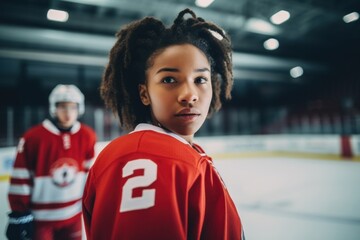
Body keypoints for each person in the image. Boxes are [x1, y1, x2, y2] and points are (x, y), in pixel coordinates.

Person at [82, 8, 245, 240]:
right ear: (144, 93)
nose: (189, 95)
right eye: (169, 80)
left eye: (200, 79)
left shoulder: (183, 154)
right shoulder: (150, 158)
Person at [6, 84, 97, 240]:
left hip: (74, 215)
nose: (68, 113)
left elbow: (91, 176)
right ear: (54, 108)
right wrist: (19, 211)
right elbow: (21, 176)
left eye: (72, 107)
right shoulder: (33, 138)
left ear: (79, 108)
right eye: (63, 107)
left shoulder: (87, 135)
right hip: (41, 219)